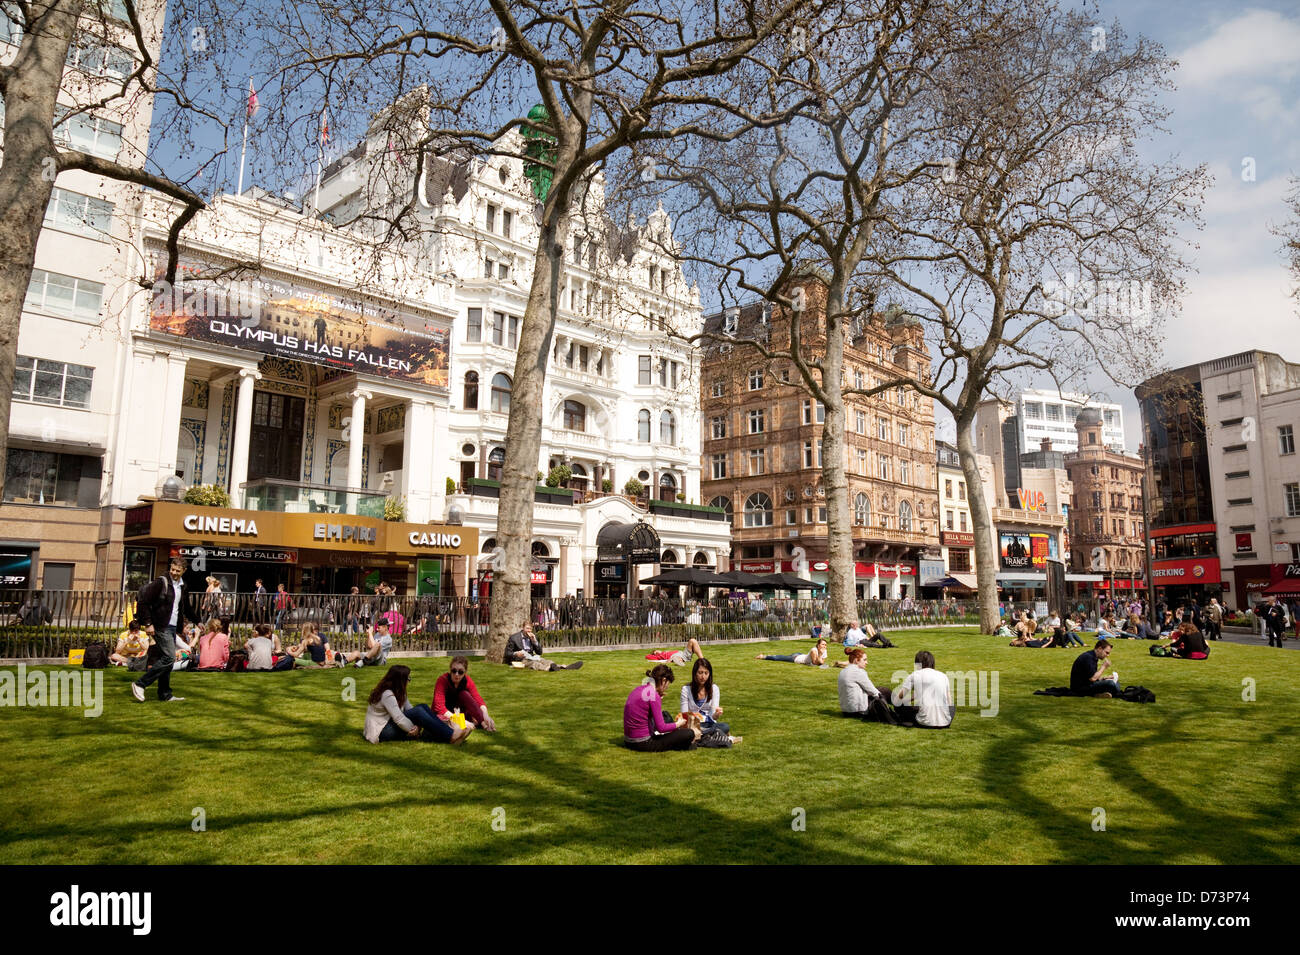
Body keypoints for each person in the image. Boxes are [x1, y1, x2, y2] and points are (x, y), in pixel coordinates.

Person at [132, 556, 200, 703]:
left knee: (166, 660)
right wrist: (148, 623)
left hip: (172, 626)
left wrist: (198, 621)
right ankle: (140, 684)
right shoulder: (160, 582)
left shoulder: (182, 586)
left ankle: (165, 694)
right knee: (169, 657)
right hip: (159, 625)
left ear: (184, 571)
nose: (174, 573)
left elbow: (186, 607)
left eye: (178, 571)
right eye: (172, 569)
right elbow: (143, 602)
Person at [364, 665, 470, 744]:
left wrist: (417, 726)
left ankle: (450, 733)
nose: (409, 681)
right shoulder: (387, 694)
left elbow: (411, 710)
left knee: (422, 707)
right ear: (400, 680)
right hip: (380, 732)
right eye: (408, 679)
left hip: (391, 725)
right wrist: (413, 729)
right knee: (419, 711)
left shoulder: (400, 692)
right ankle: (451, 735)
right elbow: (399, 718)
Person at [623, 664, 698, 751]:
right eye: (667, 684)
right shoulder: (654, 696)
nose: (667, 688)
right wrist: (678, 724)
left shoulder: (639, 689)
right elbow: (661, 728)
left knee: (665, 716)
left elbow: (644, 712)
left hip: (628, 740)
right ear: (664, 680)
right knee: (689, 733)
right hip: (643, 742)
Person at [678, 657, 738, 741]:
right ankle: (706, 736)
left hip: (709, 724)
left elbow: (713, 717)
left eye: (706, 673)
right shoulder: (686, 689)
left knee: (725, 726)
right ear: (695, 673)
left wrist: (717, 714)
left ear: (710, 674)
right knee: (688, 731)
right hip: (692, 725)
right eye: (700, 673)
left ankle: (700, 736)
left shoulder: (714, 689)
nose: (703, 676)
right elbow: (684, 714)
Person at [891, 650, 954, 729]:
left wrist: (909, 699)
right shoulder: (943, 676)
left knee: (899, 704)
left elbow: (898, 699)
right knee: (952, 706)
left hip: (924, 722)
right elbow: (949, 702)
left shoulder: (914, 675)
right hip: (945, 723)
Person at [432, 656, 496, 732]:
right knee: (440, 720)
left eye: (460, 672)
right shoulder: (442, 681)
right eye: (454, 671)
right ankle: (472, 723)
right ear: (450, 670)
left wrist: (485, 715)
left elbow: (478, 699)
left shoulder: (467, 681)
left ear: (465, 672)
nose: (456, 674)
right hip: (445, 714)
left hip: (459, 712)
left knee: (464, 694)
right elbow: (439, 708)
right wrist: (461, 721)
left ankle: (484, 723)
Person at [837, 646, 892, 719]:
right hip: (859, 711)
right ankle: (902, 705)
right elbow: (873, 691)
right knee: (883, 691)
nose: (867, 662)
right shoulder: (858, 672)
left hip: (846, 711)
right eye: (864, 660)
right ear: (856, 660)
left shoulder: (842, 671)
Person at [504, 622, 583, 671]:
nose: (529, 631)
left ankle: (564, 667)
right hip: (521, 659)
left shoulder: (532, 637)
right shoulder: (514, 638)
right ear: (523, 628)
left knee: (545, 660)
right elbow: (507, 653)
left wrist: (535, 641)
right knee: (534, 663)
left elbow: (540, 652)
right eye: (527, 628)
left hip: (531, 656)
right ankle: (548, 668)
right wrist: (516, 654)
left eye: (530, 629)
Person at [758, 637, 829, 666]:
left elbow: (822, 662)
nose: (824, 646)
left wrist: (821, 659)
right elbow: (815, 663)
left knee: (782, 656)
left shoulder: (824, 651)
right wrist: (820, 655)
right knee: (779, 658)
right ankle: (763, 656)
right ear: (818, 645)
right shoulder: (814, 650)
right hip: (797, 658)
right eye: (823, 644)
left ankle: (771, 655)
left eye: (825, 645)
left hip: (801, 655)